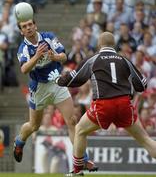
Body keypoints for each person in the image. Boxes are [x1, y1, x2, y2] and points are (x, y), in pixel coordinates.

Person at [48, 32, 156, 176]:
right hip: (124, 104)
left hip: (104, 104)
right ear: (114, 45)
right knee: (145, 139)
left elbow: (75, 80)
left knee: (80, 130)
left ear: (99, 44)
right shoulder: (124, 60)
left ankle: (77, 171)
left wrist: (58, 80)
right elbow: (142, 85)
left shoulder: (93, 59)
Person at [13, 3, 97, 172]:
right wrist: (37, 56)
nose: (28, 28)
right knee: (34, 126)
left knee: (72, 121)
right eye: (24, 27)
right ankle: (20, 141)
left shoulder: (48, 37)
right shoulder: (24, 48)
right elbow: (23, 69)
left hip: (57, 83)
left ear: (35, 25)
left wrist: (54, 56)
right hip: (39, 89)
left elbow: (64, 56)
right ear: (21, 31)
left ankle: (83, 159)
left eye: (30, 24)